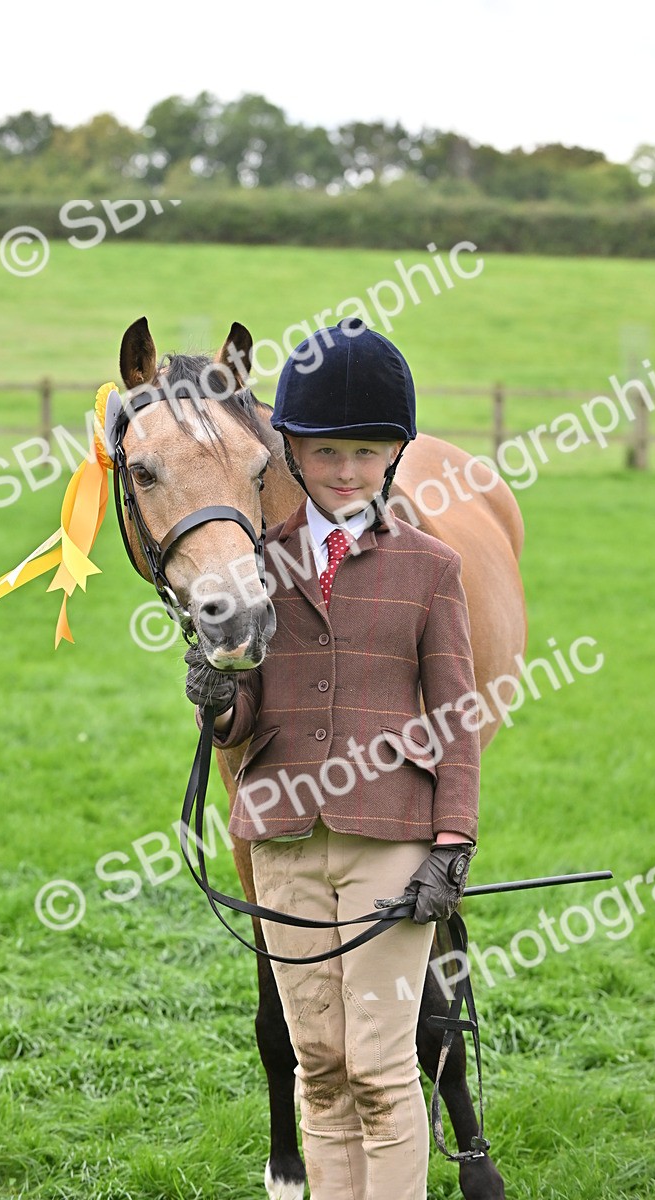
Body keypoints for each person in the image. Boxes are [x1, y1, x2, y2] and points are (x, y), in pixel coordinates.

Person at [185, 318, 479, 1200]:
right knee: (319, 1071)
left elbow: (458, 714)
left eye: (365, 451)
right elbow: (243, 729)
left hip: (391, 842)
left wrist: (453, 842)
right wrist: (218, 698)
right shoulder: (255, 571)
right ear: (291, 452)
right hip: (282, 842)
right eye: (324, 452)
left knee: (384, 1078)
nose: (345, 471)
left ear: (393, 455)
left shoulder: (431, 567)